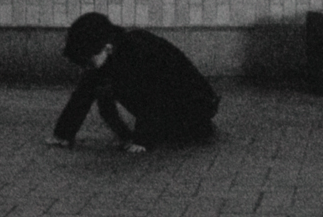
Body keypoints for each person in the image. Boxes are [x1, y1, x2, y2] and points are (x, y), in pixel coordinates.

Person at [48, 12, 220, 152]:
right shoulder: (112, 50)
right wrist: (63, 134)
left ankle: (187, 128)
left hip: (197, 106)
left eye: (88, 60)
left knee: (110, 81)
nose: (85, 66)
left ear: (107, 48)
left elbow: (154, 93)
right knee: (96, 78)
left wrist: (141, 140)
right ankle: (168, 128)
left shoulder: (138, 52)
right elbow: (84, 93)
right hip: (177, 102)